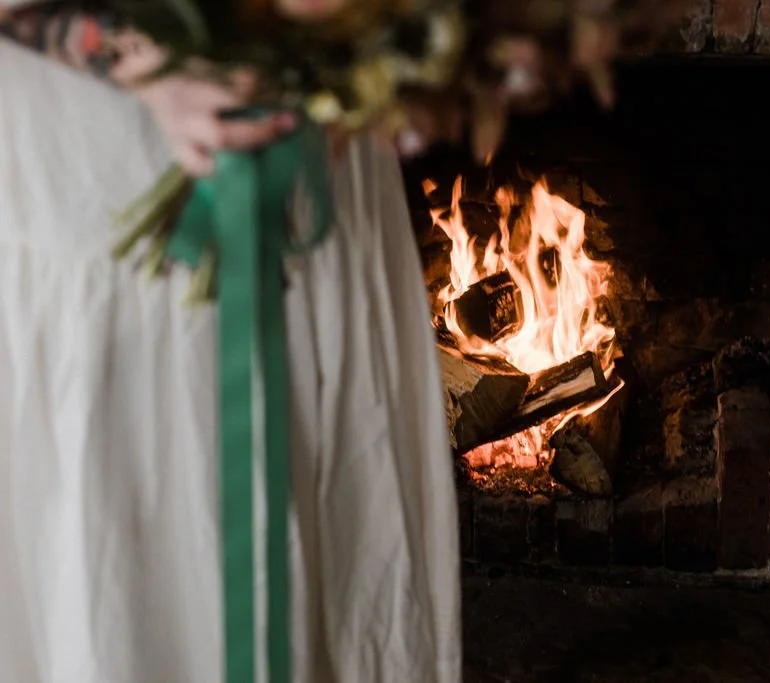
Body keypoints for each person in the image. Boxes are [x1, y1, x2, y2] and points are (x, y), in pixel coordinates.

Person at [0, 2, 462, 682]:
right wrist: (145, 59)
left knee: (332, 516)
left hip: (321, 149)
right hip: (102, 164)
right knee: (144, 562)